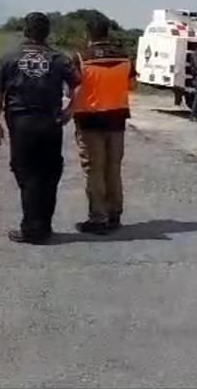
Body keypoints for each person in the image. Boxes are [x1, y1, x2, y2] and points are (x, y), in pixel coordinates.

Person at [0, 12, 80, 244]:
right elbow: (78, 85)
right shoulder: (59, 59)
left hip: (22, 124)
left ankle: (32, 229)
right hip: (51, 123)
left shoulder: (9, 58)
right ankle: (43, 225)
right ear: (47, 33)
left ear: (25, 31)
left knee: (27, 174)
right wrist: (70, 110)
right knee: (49, 174)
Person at [69, 16, 136, 234]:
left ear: (88, 34)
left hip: (89, 120)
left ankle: (97, 218)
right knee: (113, 168)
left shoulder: (81, 58)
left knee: (94, 170)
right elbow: (131, 84)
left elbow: (73, 87)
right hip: (117, 119)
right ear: (108, 33)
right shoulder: (125, 57)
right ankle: (114, 213)